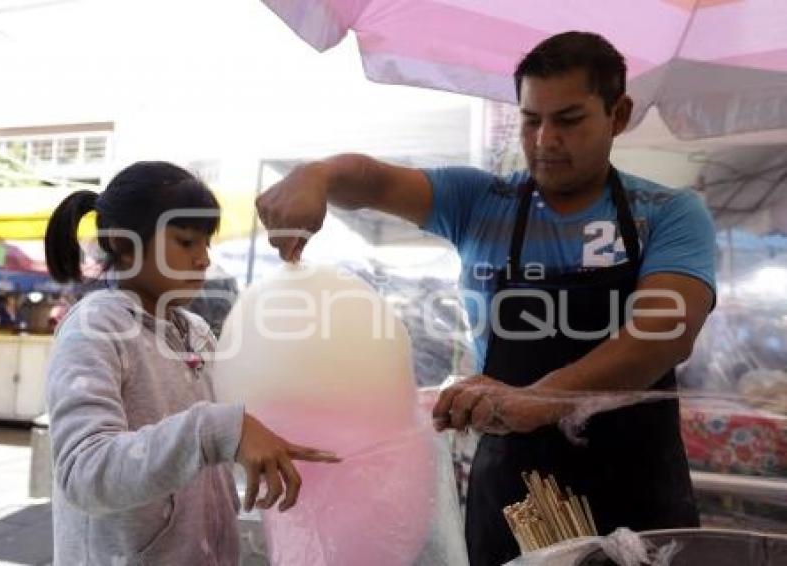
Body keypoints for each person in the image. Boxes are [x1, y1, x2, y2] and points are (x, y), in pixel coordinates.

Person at [256, 32, 716, 565]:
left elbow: (662, 336)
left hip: (636, 489)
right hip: (515, 496)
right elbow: (374, 182)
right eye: (530, 119)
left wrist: (538, 399)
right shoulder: (479, 203)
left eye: (568, 120)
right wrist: (321, 174)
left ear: (618, 114)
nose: (545, 140)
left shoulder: (667, 213)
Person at [44, 161, 339, 566]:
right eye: (185, 242)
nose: (203, 260)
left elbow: (237, 419)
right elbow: (85, 472)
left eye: (206, 244)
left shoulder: (196, 330)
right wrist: (215, 429)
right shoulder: (95, 329)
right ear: (123, 243)